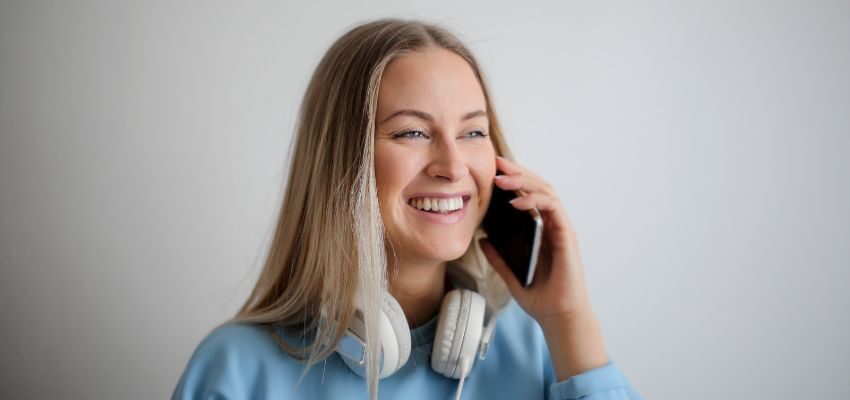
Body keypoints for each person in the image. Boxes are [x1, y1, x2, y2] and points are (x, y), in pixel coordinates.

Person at [172, 18, 643, 400]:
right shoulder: (234, 370)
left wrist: (568, 321)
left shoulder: (539, 349)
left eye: (473, 132)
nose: (453, 165)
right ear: (341, 162)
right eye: (412, 132)